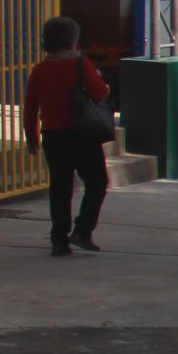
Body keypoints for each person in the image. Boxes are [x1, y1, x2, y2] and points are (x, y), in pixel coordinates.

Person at [20, 16, 112, 258]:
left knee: (60, 188)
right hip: (82, 134)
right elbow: (100, 93)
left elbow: (30, 108)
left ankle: (58, 240)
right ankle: (83, 230)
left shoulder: (40, 70)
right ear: (73, 41)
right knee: (97, 182)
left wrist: (32, 139)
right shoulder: (82, 66)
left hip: (53, 136)